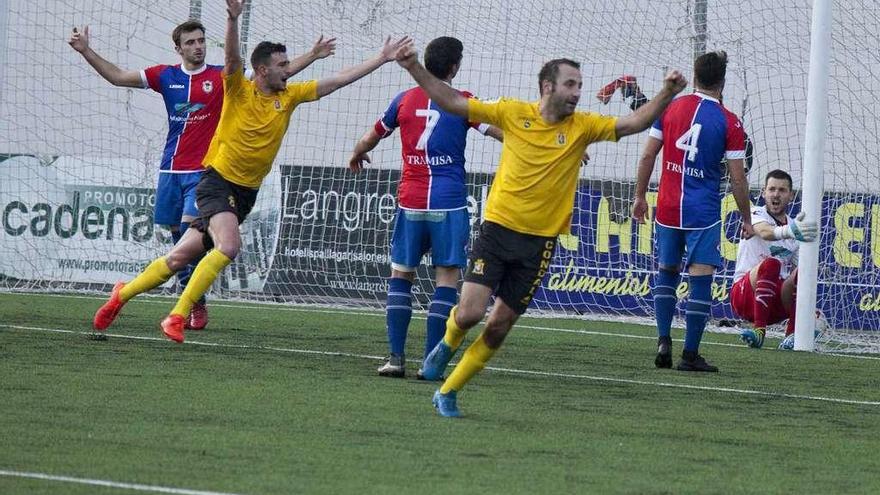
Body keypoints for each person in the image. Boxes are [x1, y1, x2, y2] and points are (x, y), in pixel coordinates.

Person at [91, 0, 412, 343]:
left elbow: (336, 81)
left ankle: (121, 295)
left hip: (245, 192)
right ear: (262, 71)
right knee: (228, 246)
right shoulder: (237, 90)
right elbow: (232, 59)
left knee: (179, 256)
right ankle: (177, 314)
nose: (290, 69)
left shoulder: (290, 96)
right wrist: (232, 18)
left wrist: (381, 58)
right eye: (283, 65)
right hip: (215, 181)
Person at [395, 44, 687, 417]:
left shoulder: (583, 126)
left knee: (498, 326)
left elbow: (634, 124)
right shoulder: (513, 113)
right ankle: (447, 344)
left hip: (539, 245)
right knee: (468, 314)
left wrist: (667, 92)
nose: (577, 92)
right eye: (570, 84)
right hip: (498, 231)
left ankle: (449, 392)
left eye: (580, 85)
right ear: (548, 86)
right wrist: (414, 68)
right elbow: (452, 101)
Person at [70, 20, 334, 330]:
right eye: (191, 42)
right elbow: (117, 77)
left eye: (201, 40)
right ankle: (145, 298)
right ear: (179, 48)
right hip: (171, 170)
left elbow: (275, 73)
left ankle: (190, 307)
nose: (198, 46)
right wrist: (87, 51)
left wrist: (313, 56)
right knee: (180, 247)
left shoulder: (223, 77)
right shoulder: (165, 76)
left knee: (205, 243)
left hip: (208, 173)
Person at [348, 37, 502, 379]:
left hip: (411, 201)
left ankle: (395, 358)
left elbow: (372, 136)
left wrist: (357, 153)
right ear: (454, 67)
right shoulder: (462, 102)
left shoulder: (403, 100)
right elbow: (499, 131)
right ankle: (431, 364)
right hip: (448, 204)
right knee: (445, 280)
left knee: (401, 275)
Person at [632, 50, 754, 373]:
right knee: (701, 279)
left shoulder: (670, 107)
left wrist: (640, 196)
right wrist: (745, 217)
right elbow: (738, 177)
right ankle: (689, 355)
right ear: (722, 82)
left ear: (695, 76)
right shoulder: (729, 121)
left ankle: (662, 340)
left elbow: (647, 157)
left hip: (668, 207)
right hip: (702, 212)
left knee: (667, 272)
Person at [730, 169, 818, 349]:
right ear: (763, 193)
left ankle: (792, 338)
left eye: (782, 190)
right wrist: (788, 231)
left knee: (805, 275)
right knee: (771, 264)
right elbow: (765, 232)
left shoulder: (794, 227)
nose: (776, 194)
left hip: (774, 303)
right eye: (771, 189)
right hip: (744, 295)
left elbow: (800, 272)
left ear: (791, 196)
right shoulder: (755, 213)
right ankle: (759, 332)